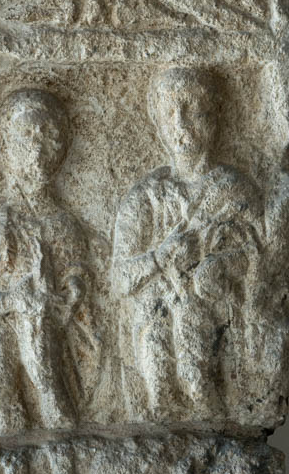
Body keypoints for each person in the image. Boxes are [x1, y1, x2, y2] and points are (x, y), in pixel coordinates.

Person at [112, 68, 263, 416]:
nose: (180, 122)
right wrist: (159, 258)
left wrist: (217, 266)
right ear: (157, 123)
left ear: (215, 113)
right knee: (160, 366)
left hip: (217, 314)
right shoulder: (145, 198)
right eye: (169, 112)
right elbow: (120, 280)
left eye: (191, 108)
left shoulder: (234, 190)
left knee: (198, 382)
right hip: (156, 320)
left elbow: (260, 259)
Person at [0, 89, 89, 434]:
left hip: (53, 327)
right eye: (27, 134)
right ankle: (9, 402)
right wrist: (13, 301)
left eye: (48, 136)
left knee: (40, 324)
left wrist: (73, 290)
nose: (38, 147)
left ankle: (51, 394)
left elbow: (76, 270)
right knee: (6, 328)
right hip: (5, 329)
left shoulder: (64, 224)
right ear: (6, 147)